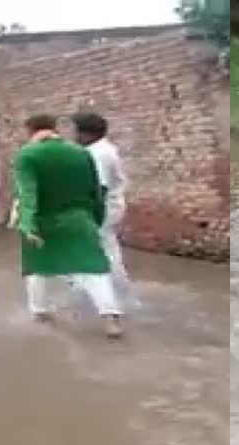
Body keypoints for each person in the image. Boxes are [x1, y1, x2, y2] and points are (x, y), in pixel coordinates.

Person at [12, 114, 123, 338]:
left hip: (43, 221)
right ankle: (111, 319)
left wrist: (27, 225)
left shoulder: (26, 155)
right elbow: (96, 193)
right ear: (54, 129)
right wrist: (96, 220)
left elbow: (28, 195)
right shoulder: (81, 153)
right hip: (80, 219)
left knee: (37, 269)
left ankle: (40, 313)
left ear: (30, 130)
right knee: (94, 269)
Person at [71, 112, 136, 313]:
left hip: (103, 208)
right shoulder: (104, 149)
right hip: (111, 206)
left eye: (76, 132)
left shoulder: (97, 154)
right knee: (107, 249)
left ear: (87, 134)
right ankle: (112, 294)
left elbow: (99, 188)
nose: (74, 136)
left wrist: (89, 214)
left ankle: (113, 299)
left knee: (104, 252)